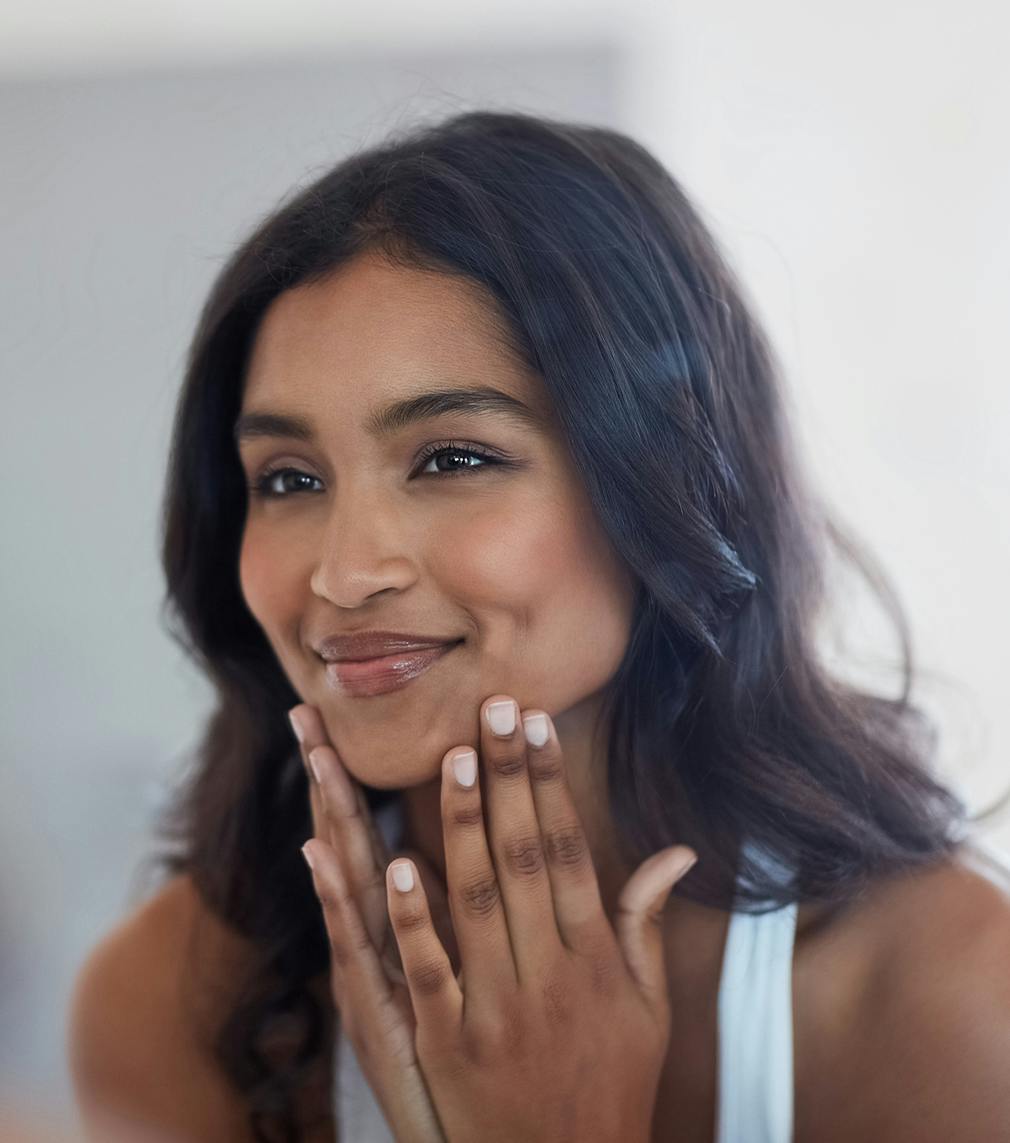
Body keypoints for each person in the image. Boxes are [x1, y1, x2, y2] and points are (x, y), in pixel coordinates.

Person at [68, 109, 1010, 1142]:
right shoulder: (172, 1002)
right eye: (288, 479)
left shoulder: (944, 998)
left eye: (453, 458)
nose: (342, 572)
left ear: (663, 482)